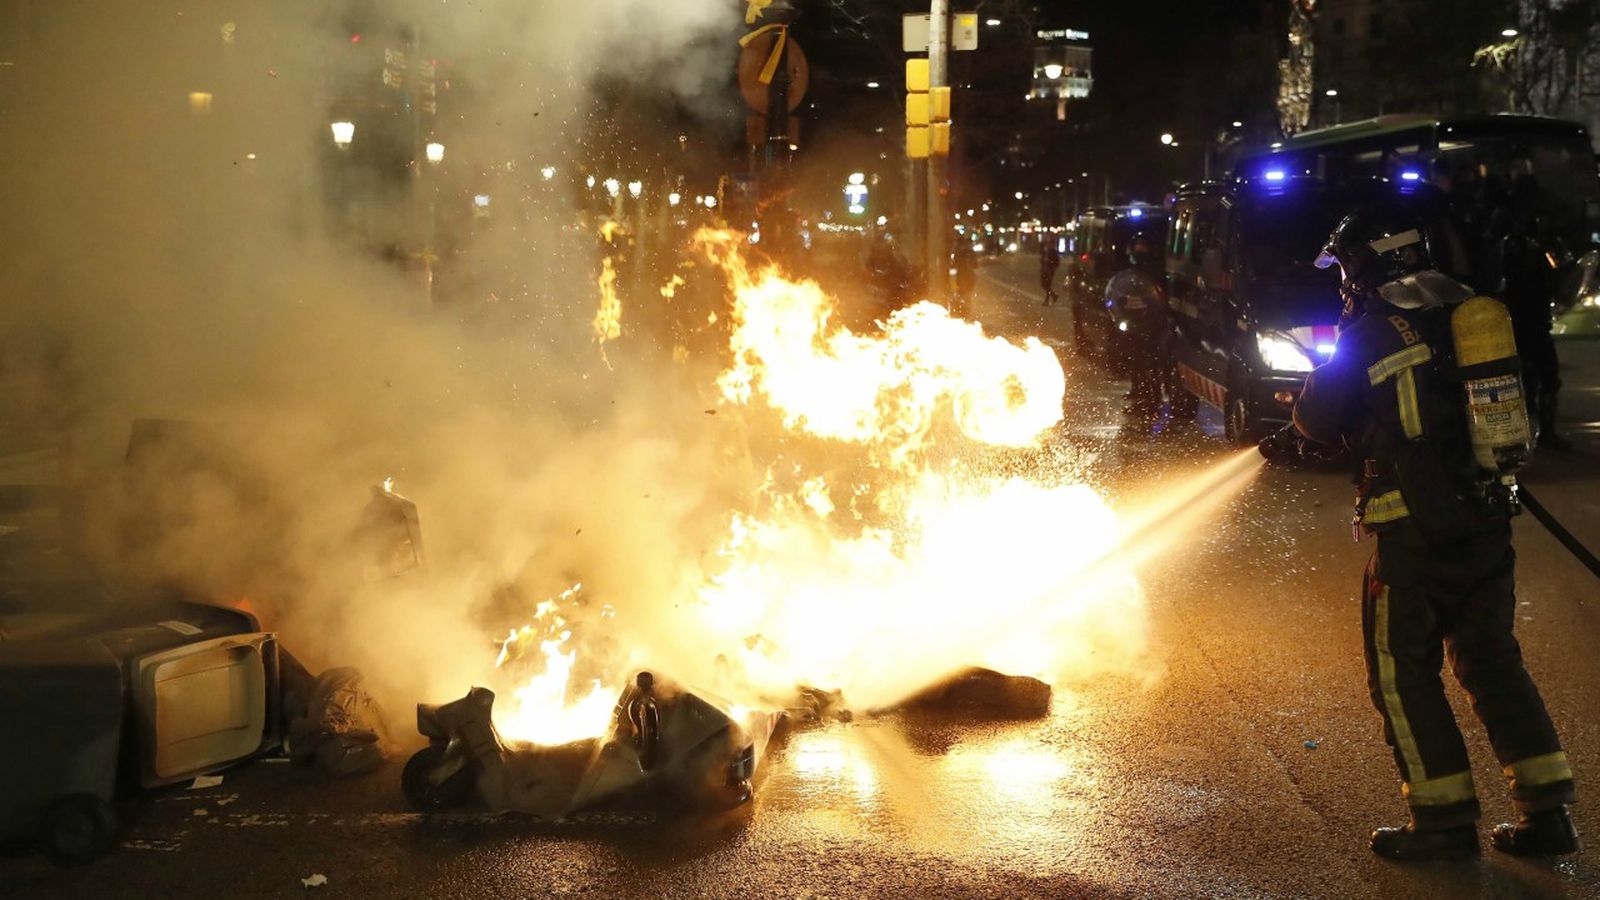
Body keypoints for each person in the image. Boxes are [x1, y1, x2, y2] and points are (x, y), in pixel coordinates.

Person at [1259, 195, 1579, 861]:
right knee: (1493, 661)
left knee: (1404, 673)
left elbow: (1318, 418)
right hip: (1487, 518)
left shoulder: (1373, 330)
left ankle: (1442, 822)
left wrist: (1302, 427)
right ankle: (1549, 815)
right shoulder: (1472, 311)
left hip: (1413, 533)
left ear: (1358, 267)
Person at [1104, 232, 1168, 418]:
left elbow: (1156, 297)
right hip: (1135, 324)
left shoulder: (1153, 270)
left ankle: (1150, 402)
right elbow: (1120, 290)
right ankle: (1140, 394)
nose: (1139, 250)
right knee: (1136, 362)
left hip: (1150, 325)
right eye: (1137, 246)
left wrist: (1149, 313)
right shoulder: (1131, 271)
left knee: (1148, 365)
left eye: (1143, 246)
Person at [1040, 236, 1061, 306]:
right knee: (1044, 285)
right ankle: (1054, 295)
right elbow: (1042, 259)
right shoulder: (1046, 251)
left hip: (1049, 270)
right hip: (1044, 269)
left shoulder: (1054, 252)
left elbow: (1056, 262)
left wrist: (1052, 267)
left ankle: (1047, 300)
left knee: (1047, 285)